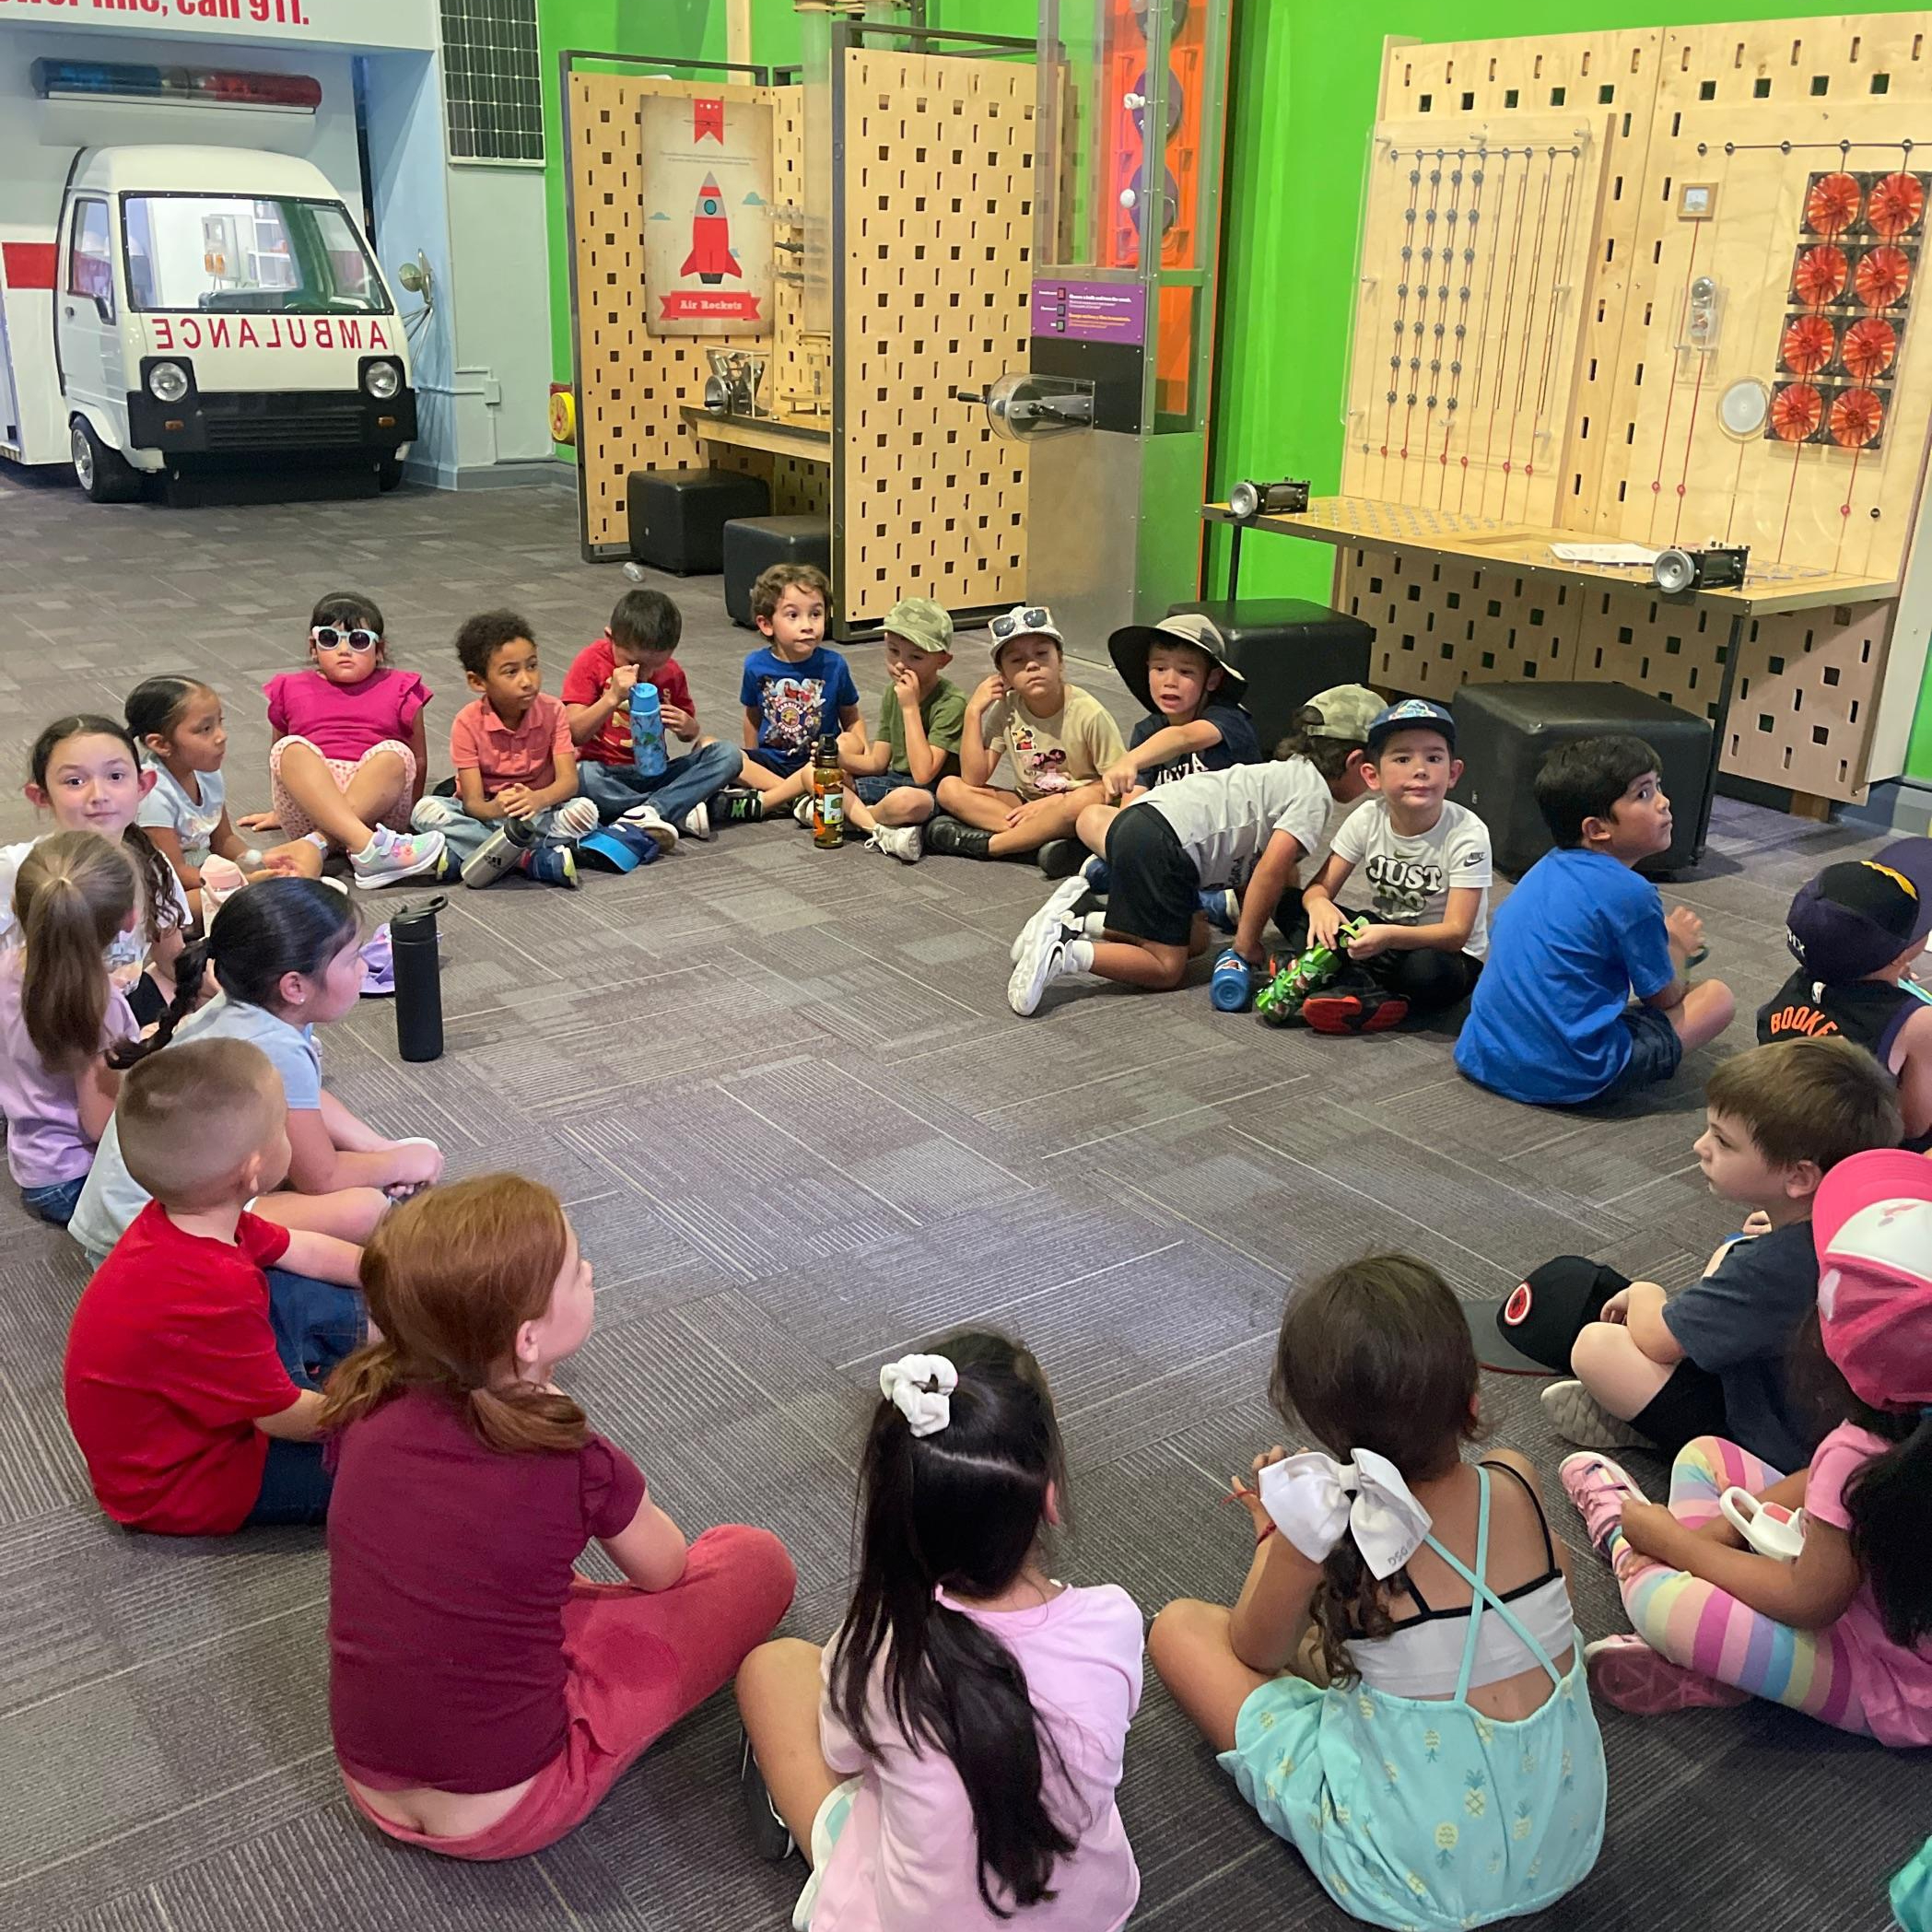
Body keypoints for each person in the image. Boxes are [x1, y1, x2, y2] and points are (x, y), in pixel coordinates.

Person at [319, 1176, 796, 1858]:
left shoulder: (363, 1405)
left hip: (367, 1782)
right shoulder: (570, 1457)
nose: (591, 1271)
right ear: (528, 1338)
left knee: (481, 1574)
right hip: (512, 1804)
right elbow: (665, 1568)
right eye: (576, 1269)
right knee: (754, 1559)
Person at [1149, 1256, 1605, 1931]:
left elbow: (1252, 1647)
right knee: (1391, 1646)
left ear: (1328, 1434)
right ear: (1472, 1396)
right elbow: (1556, 1598)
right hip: (1565, 1836)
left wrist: (1280, 1539)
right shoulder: (1516, 1480)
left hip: (1414, 1873)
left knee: (1178, 1627)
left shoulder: (1332, 1533)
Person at [734, 1332, 1142, 1930]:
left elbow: (841, 1752)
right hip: (1089, 1916)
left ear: (897, 1510)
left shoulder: (877, 1647)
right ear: (1048, 1497)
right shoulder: (1114, 1620)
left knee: (768, 1669)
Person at [1560, 1140, 1932, 1740]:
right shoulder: (1894, 1424)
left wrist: (1674, 1545)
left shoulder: (1858, 1449)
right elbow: (1824, 1487)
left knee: (1667, 1603)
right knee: (1704, 1454)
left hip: (1890, 1686)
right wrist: (1729, 1528)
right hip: (1874, 1594)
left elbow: (1807, 1599)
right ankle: (1732, 1665)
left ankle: (1622, 1546)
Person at [1526, 1036, 1900, 1469]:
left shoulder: (1773, 1266)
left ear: (1799, 1177)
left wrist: (1647, 1291)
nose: (1700, 1147)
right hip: (1836, 1423)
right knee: (1731, 1254)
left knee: (1595, 1347)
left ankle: (1691, 1444)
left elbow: (1659, 1340)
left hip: (1784, 1448)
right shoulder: (1859, 1223)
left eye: (1723, 1142)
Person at [63, 1038, 368, 1533]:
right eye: (282, 1125)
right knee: (381, 1468)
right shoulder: (212, 1287)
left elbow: (302, 1249)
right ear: (252, 1171)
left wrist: (391, 1277)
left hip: (209, 1401)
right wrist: (386, 1416)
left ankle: (366, 1356)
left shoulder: (187, 1217)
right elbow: (283, 1417)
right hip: (185, 1480)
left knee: (295, 1285)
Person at [68, 878, 439, 1269]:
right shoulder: (273, 1041)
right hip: (146, 1238)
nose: (364, 968)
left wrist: (381, 1149)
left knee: (353, 1173)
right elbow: (322, 1178)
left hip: (156, 1203)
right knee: (366, 1209)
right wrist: (403, 1163)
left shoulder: (253, 1006)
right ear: (295, 985)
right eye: (352, 959)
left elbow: (304, 1099)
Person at [1004, 685, 1377, 1017]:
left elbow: (1259, 869)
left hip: (1147, 823)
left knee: (1196, 939)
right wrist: (1246, 945)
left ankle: (1076, 919)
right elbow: (1269, 871)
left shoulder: (1286, 771)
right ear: (1354, 763)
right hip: (1166, 846)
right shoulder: (1313, 797)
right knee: (1166, 968)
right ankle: (1064, 951)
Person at [1454, 735, 1735, 1105]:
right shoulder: (1632, 893)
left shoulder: (1542, 868)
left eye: (1658, 786)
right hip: (1572, 1077)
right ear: (1597, 829)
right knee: (1717, 997)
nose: (1664, 802)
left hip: (1481, 1056)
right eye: (1644, 794)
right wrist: (1678, 945)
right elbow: (1663, 996)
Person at [1294, 698, 1492, 1033]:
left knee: (1429, 975)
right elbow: (1317, 888)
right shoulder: (1368, 817)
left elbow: (1456, 933)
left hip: (1443, 954)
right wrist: (1320, 906)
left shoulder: (1467, 833)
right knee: (1290, 906)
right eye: (1402, 758)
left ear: (1454, 772)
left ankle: (1353, 984)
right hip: (1383, 934)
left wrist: (1386, 937)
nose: (1420, 769)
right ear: (1373, 775)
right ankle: (1360, 986)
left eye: (1434, 757)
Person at [1035, 612, 1261, 880]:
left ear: (1211, 680)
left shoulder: (1227, 718)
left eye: (1186, 671)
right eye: (1160, 668)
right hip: (1171, 842)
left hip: (1224, 840)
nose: (1170, 681)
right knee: (1091, 817)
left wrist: (1130, 760)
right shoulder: (1147, 730)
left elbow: (1182, 738)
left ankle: (1115, 875)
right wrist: (1124, 833)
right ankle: (1148, 879)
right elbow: (1132, 809)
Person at [0, 713, 190, 1025]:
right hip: (32, 1021)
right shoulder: (16, 867)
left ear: (143, 785)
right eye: (75, 781)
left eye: (115, 777)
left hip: (115, 1009)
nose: (98, 795)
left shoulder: (152, 866)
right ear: (41, 796)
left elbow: (171, 958)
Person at [250, 590, 445, 890]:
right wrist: (279, 809)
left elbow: (417, 758)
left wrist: (413, 812)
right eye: (330, 639)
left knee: (397, 754)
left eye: (358, 641)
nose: (344, 650)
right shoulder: (289, 687)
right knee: (288, 749)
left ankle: (322, 843)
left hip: (379, 813)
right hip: (309, 809)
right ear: (313, 647)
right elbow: (280, 756)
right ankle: (368, 851)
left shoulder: (401, 687)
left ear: (379, 649)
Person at [0, 834, 138, 1225]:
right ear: (129, 920)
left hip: (32, 1164)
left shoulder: (5, 969)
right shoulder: (99, 1007)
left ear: (19, 907)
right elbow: (101, 1125)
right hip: (77, 1179)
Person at [408, 611, 599, 890]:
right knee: (425, 810)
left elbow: (568, 782)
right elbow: (473, 803)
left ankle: (476, 854)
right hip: (484, 817)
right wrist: (494, 807)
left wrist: (536, 799)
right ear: (477, 681)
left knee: (585, 813)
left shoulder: (553, 710)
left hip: (537, 814)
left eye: (532, 666)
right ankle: (527, 859)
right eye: (511, 672)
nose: (527, 680)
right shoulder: (467, 722)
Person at [1757, 843, 1932, 1145]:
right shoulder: (1917, 1021)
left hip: (1792, 1132)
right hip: (1863, 1151)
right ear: (1901, 953)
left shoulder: (1800, 985)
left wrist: (1887, 968)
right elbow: (1914, 1126)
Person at [929, 605, 1127, 861]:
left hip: (1073, 803)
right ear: (1003, 675)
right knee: (949, 788)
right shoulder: (1007, 709)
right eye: (1017, 660)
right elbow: (973, 778)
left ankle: (993, 845)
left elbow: (1115, 785)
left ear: (1061, 661)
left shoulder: (1088, 712)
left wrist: (1055, 803)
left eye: (1042, 654)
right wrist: (973, 712)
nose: (1032, 665)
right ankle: (1039, 841)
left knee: (1084, 800)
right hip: (1026, 801)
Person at [127, 675, 320, 922]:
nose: (221, 736)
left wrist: (259, 861)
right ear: (161, 744)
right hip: (167, 888)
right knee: (192, 905)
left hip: (208, 873)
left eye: (220, 723)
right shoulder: (153, 795)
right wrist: (242, 881)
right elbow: (174, 873)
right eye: (205, 729)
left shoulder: (207, 772)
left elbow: (223, 839)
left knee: (305, 854)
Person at [560, 587, 741, 840]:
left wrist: (687, 726)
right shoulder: (591, 662)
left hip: (657, 773)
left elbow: (689, 735)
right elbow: (573, 734)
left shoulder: (672, 673)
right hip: (605, 773)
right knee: (579, 777)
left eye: (656, 666)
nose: (644, 675)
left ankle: (650, 811)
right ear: (610, 638)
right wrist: (611, 697)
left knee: (728, 755)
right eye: (633, 663)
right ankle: (674, 808)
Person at [798, 597, 965, 864]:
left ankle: (846, 816)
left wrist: (910, 708)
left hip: (930, 792)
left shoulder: (952, 703)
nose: (900, 664)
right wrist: (839, 760)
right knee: (813, 773)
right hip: (891, 781)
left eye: (916, 657)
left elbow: (923, 774)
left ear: (942, 661)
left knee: (908, 802)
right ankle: (878, 829)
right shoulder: (892, 692)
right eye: (893, 651)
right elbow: (877, 762)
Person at [732, 564, 863, 809]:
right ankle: (798, 796)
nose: (807, 625)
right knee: (717, 752)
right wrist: (753, 755)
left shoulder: (834, 665)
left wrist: (858, 755)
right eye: (793, 615)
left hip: (818, 763)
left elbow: (852, 717)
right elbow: (752, 716)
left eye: (816, 614)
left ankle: (778, 798)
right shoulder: (755, 665)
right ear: (766, 624)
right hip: (774, 763)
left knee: (848, 743)